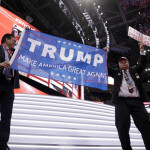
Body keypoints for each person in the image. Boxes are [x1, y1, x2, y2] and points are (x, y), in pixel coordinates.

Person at [106, 43, 150, 150]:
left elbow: (143, 63)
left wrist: (141, 50)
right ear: (118, 65)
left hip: (137, 102)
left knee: (146, 126)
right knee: (122, 127)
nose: (123, 63)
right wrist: (105, 55)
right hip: (122, 102)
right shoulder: (116, 73)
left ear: (129, 63)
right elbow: (105, 68)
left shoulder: (134, 71)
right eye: (121, 62)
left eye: (125, 61)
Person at [0, 34, 20, 150]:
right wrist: (1, 64)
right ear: (6, 39)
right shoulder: (0, 49)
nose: (15, 43)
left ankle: (2, 145)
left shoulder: (16, 55)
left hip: (8, 86)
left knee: (6, 117)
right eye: (13, 40)